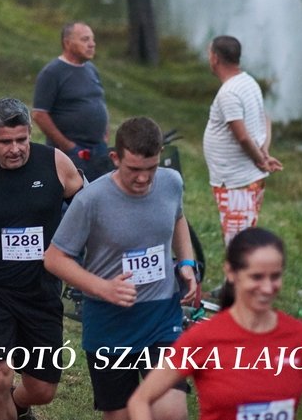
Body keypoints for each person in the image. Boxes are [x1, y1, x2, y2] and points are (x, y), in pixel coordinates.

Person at [45, 117, 201, 420]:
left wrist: (186, 262)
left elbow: (178, 218)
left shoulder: (171, 182)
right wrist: (103, 287)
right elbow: (54, 258)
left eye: (150, 169)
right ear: (115, 158)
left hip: (161, 316)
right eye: (134, 170)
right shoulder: (91, 200)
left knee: (171, 412)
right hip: (109, 323)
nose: (143, 179)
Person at [0, 98, 84, 420]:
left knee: (42, 390)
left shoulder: (55, 163)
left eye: (21, 140)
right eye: (5, 142)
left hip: (42, 291)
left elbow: (88, 209)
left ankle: (20, 408)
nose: (15, 149)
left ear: (30, 133)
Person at [127, 228, 302, 420]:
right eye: (256, 277)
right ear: (230, 272)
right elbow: (140, 400)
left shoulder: (301, 337)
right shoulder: (204, 338)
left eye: (275, 276)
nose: (267, 288)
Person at [203, 36, 280, 249]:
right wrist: (264, 152)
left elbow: (243, 136)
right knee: (244, 239)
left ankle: (239, 282)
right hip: (245, 179)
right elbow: (264, 120)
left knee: (237, 245)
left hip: (236, 182)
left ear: (215, 58)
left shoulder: (229, 93)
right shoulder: (248, 82)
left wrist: (261, 160)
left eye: (209, 53)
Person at [31, 22, 111, 181]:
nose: (92, 44)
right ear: (67, 43)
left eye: (92, 40)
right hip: (72, 152)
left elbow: (99, 101)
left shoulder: (91, 69)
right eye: (85, 39)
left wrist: (105, 135)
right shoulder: (52, 73)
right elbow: (40, 114)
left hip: (99, 149)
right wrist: (67, 145)